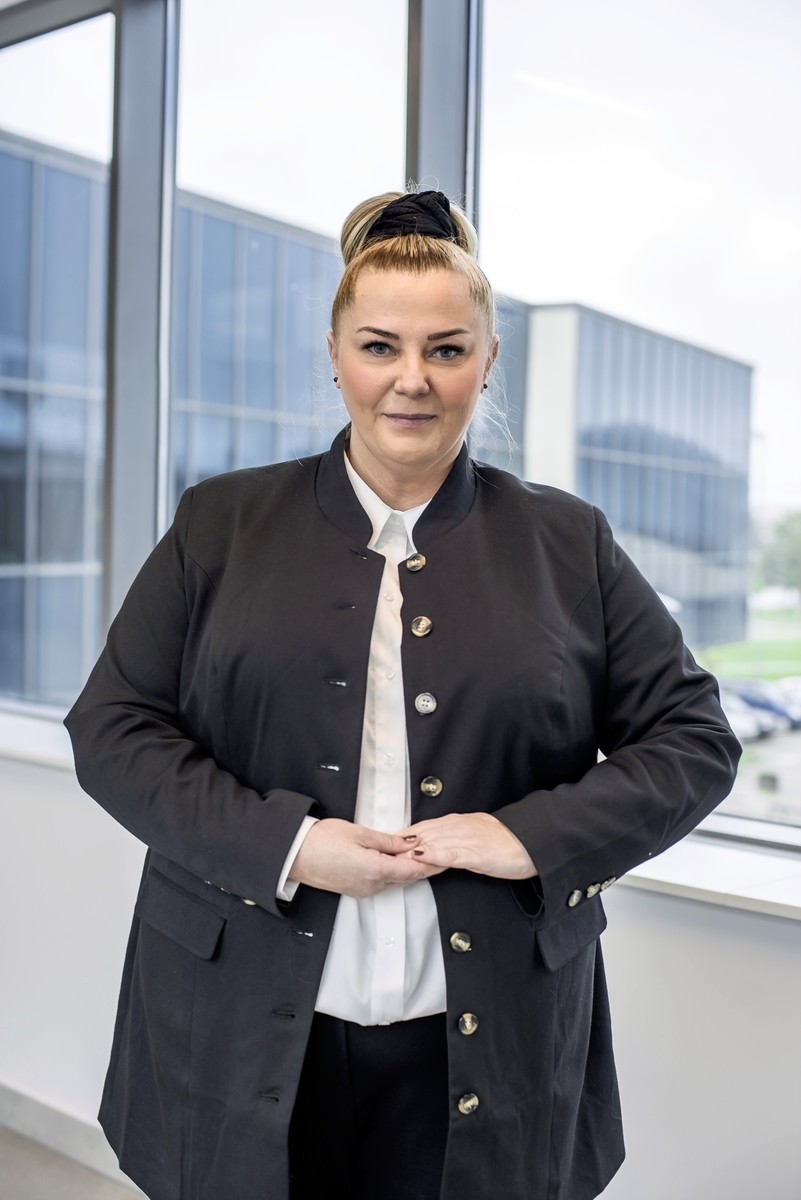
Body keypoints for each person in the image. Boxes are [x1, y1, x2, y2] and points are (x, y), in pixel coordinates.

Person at [65, 188, 741, 1200]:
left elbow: (693, 739)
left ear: (488, 360)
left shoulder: (568, 542)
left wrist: (524, 836)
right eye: (379, 347)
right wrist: (290, 846)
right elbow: (113, 730)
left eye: (446, 349)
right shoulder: (220, 522)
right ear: (335, 355)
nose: (411, 381)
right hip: (237, 1019)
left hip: (486, 1041)